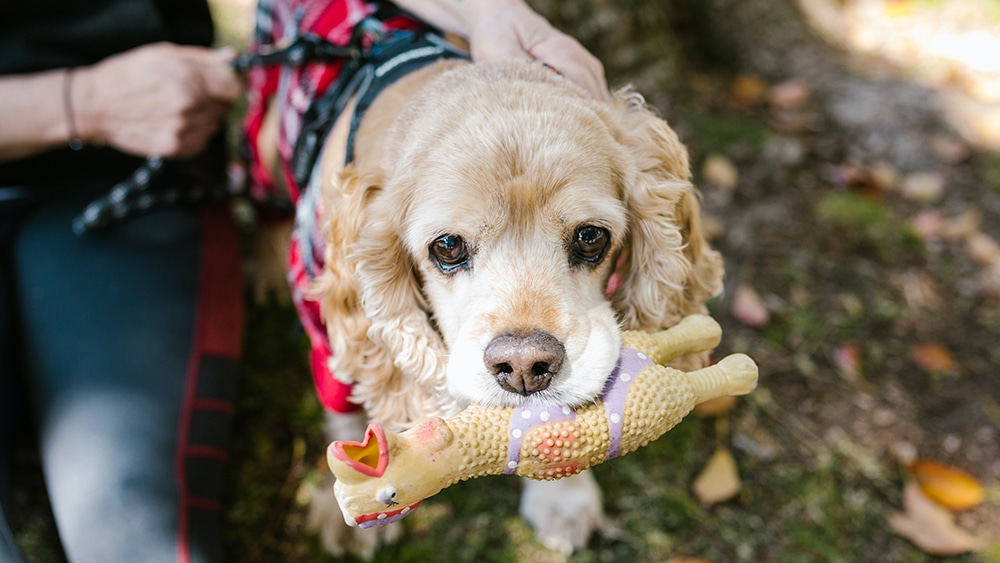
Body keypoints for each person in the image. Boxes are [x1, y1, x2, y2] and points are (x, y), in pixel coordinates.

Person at [0, 1, 605, 562]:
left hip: (111, 177)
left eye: (587, 240)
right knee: (318, 276)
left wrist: (491, 12)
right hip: (74, 128)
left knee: (134, 533)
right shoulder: (349, 231)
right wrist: (77, 102)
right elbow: (351, 345)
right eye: (450, 248)